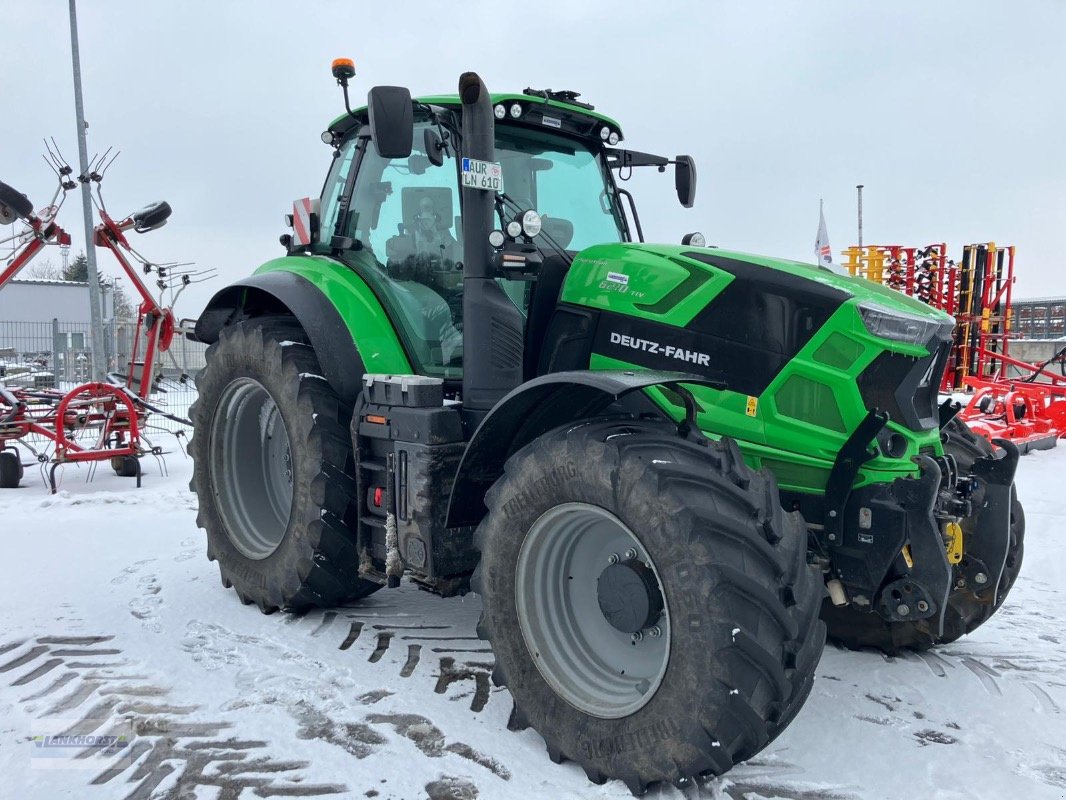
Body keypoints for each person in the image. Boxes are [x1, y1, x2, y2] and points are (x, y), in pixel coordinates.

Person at [412, 195, 459, 262]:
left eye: (428, 207)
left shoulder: (445, 235)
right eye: (423, 208)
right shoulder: (413, 235)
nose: (426, 211)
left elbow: (452, 259)